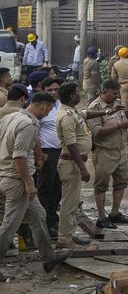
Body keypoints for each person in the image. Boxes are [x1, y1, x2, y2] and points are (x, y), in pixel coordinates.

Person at [0, 92, 69, 272]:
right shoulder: (27, 124)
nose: (48, 114)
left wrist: (39, 154)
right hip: (17, 181)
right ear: (45, 106)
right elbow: (19, 156)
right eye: (48, 110)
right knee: (9, 227)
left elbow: (28, 143)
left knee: (39, 216)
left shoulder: (12, 117)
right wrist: (29, 184)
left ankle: (49, 258)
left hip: (8, 176)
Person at [88, 80, 128, 229]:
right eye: (114, 93)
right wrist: (120, 125)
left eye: (117, 93)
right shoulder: (94, 108)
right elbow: (97, 131)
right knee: (101, 185)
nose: (116, 96)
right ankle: (101, 217)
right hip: (104, 151)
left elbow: (122, 120)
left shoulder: (117, 103)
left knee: (121, 182)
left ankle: (114, 213)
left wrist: (127, 123)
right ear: (104, 91)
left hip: (120, 150)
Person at [55, 83, 93, 247]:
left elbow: (85, 114)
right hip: (71, 164)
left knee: (73, 202)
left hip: (74, 163)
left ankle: (68, 235)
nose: (80, 95)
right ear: (72, 96)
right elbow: (71, 145)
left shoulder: (72, 111)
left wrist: (107, 111)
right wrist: (83, 169)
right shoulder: (67, 116)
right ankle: (64, 239)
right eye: (78, 92)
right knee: (69, 204)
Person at [36, 77, 62, 239]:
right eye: (50, 90)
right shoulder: (41, 108)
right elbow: (34, 133)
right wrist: (39, 156)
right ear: (43, 90)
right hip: (47, 153)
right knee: (45, 189)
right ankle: (45, 223)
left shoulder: (60, 105)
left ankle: (52, 218)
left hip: (61, 152)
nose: (53, 92)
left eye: (56, 89)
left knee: (58, 189)